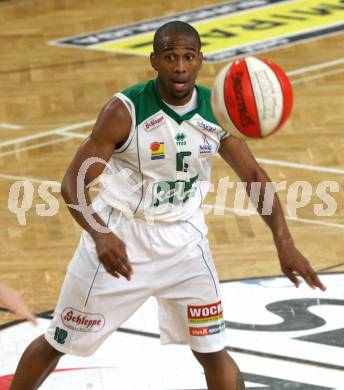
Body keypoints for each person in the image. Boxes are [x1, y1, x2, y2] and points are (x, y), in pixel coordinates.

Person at [10, 21, 326, 390]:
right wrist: (100, 235)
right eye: (170, 57)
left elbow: (254, 175)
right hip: (121, 238)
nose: (179, 66)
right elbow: (72, 183)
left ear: (200, 61)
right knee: (59, 340)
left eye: (188, 57)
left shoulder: (216, 111)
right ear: (154, 61)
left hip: (185, 244)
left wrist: (284, 243)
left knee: (213, 350)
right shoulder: (124, 111)